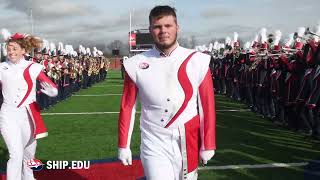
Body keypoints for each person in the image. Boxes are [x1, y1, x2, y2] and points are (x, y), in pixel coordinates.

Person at [118, 5, 216, 180]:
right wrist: (123, 145)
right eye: (157, 26)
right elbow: (127, 107)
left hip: (188, 140)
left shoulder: (198, 61)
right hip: (153, 141)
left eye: (168, 26)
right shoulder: (135, 64)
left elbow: (207, 106)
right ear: (150, 30)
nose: (163, 31)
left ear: (177, 28)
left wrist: (208, 143)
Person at [0, 33, 58, 180]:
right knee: (15, 154)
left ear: (23, 51)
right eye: (9, 49)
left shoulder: (33, 67)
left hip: (29, 115)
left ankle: (29, 177)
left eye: (14, 48)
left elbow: (51, 86)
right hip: (8, 114)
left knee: (28, 154)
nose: (11, 52)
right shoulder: (2, 67)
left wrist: (52, 91)